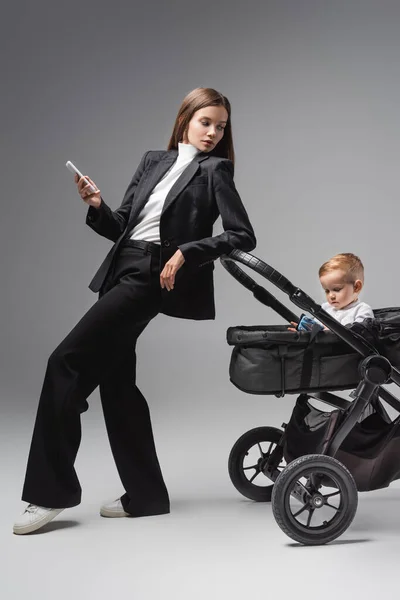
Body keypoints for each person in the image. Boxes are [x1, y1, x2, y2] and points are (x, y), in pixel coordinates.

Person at [13, 87, 256, 535]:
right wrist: (96, 206)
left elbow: (242, 235)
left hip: (150, 276)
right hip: (121, 270)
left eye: (221, 127)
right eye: (206, 123)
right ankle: (146, 496)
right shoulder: (153, 161)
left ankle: (50, 494)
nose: (214, 133)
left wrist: (187, 252)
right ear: (185, 119)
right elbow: (122, 226)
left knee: (64, 362)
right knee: (117, 385)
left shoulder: (216, 170)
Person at [289, 253, 373, 331]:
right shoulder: (325, 309)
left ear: (356, 287)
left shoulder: (362, 310)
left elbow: (360, 336)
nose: (331, 296)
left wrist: (327, 332)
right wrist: (305, 330)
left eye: (337, 289)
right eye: (327, 291)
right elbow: (315, 330)